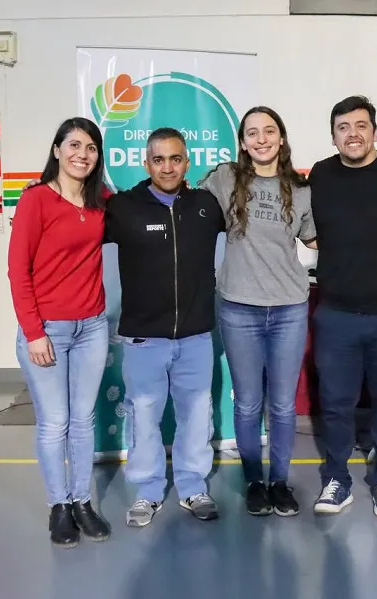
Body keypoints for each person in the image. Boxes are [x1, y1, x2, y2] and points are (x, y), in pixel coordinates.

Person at [104, 127, 227, 527]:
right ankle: (149, 491)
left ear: (187, 162)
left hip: (195, 335)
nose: (168, 167)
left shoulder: (207, 206)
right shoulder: (123, 208)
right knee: (144, 416)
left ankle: (193, 487)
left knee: (196, 416)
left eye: (176, 158)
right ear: (146, 163)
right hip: (143, 338)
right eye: (159, 159)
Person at [307, 95, 377, 517]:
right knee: (336, 403)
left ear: (375, 131)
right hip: (336, 313)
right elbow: (302, 225)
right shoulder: (320, 175)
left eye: (360, 125)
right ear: (333, 135)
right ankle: (337, 479)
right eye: (343, 127)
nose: (352, 134)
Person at [200, 106, 317, 517]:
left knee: (283, 405)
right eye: (253, 132)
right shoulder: (224, 178)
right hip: (238, 308)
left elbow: (319, 239)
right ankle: (253, 480)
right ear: (243, 141)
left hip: (288, 308)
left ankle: (280, 482)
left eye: (269, 131)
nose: (262, 139)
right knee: (248, 404)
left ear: (281, 138)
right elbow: (188, 211)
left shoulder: (301, 189)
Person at [8, 117, 111, 548]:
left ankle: (83, 501)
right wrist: (34, 332)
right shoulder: (36, 200)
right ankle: (60, 507)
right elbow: (18, 270)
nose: (81, 154)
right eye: (73, 145)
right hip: (46, 329)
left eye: (90, 147)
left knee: (83, 421)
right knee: (55, 422)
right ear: (56, 151)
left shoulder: (101, 201)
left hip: (92, 326)